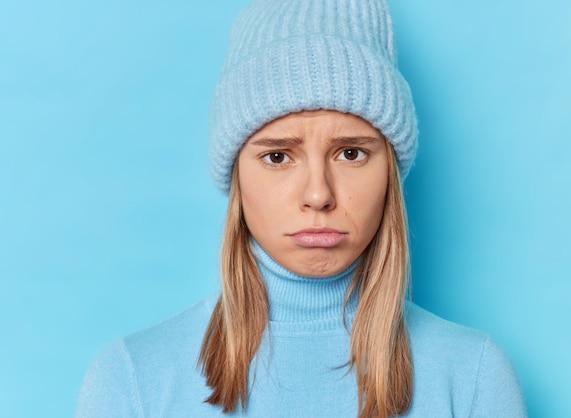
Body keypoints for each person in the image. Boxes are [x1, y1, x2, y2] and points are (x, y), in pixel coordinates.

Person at [76, 0, 527, 417]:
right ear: (238, 176)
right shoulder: (130, 379)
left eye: (351, 153)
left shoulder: (474, 378)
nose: (317, 195)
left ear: (389, 170)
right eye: (278, 156)